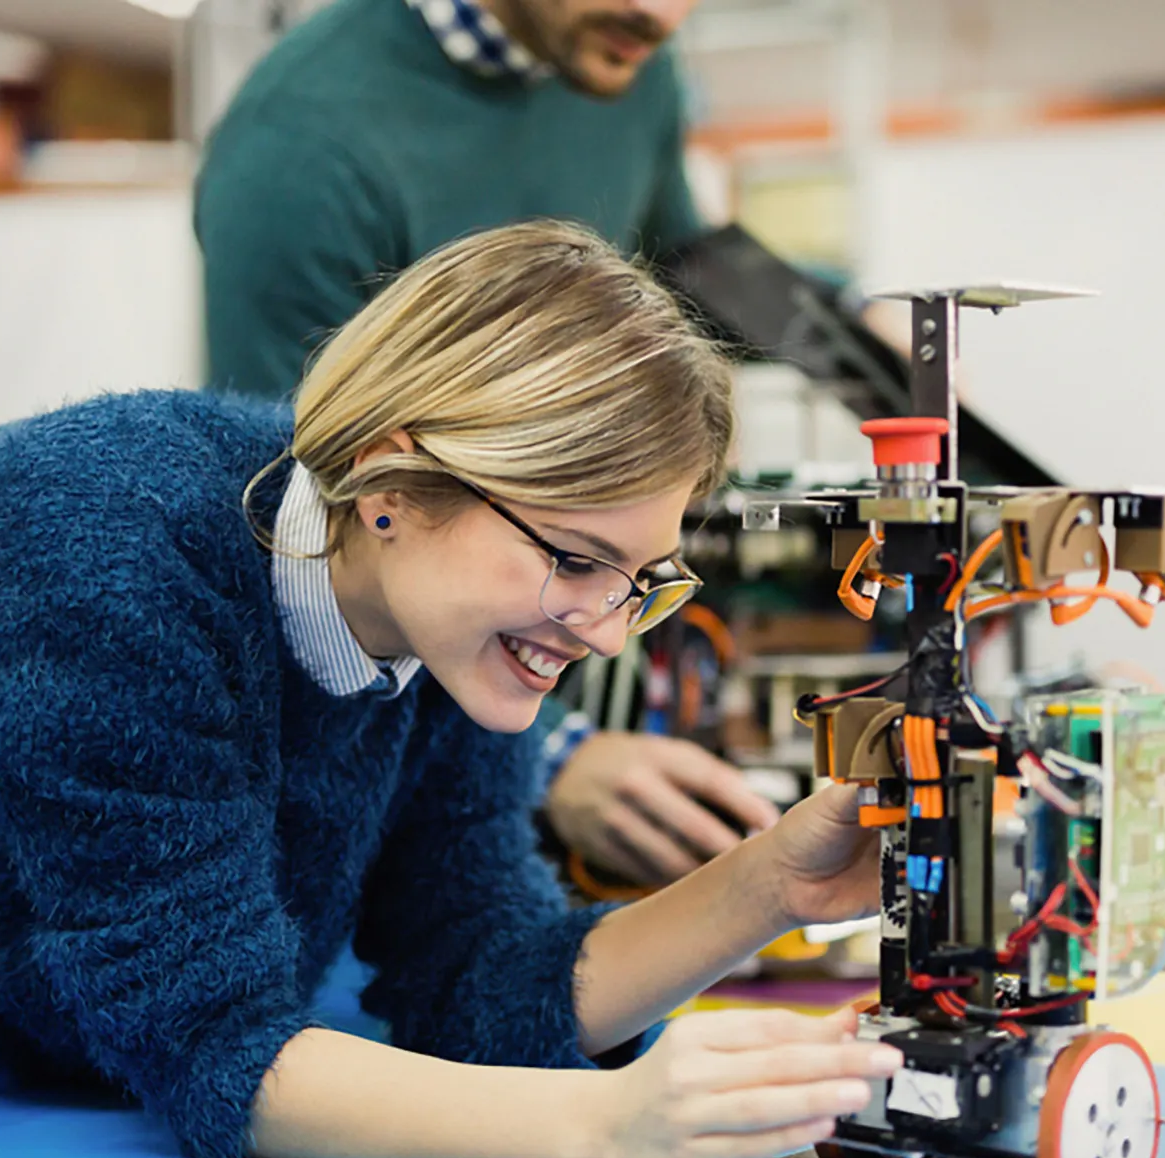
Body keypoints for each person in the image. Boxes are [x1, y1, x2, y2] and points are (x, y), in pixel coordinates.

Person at [0, 222, 900, 1158]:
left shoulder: (447, 632)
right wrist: (606, 1128)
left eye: (641, 578)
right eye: (575, 559)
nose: (601, 624)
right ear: (392, 482)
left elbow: (477, 978)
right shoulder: (117, 557)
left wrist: (770, 884)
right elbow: (215, 1048)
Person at [195, 0, 776, 884]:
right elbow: (312, 512)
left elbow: (686, 283)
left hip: (498, 663)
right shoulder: (300, 147)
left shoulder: (622, 53)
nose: (663, 15)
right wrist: (554, 754)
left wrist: (865, 335)